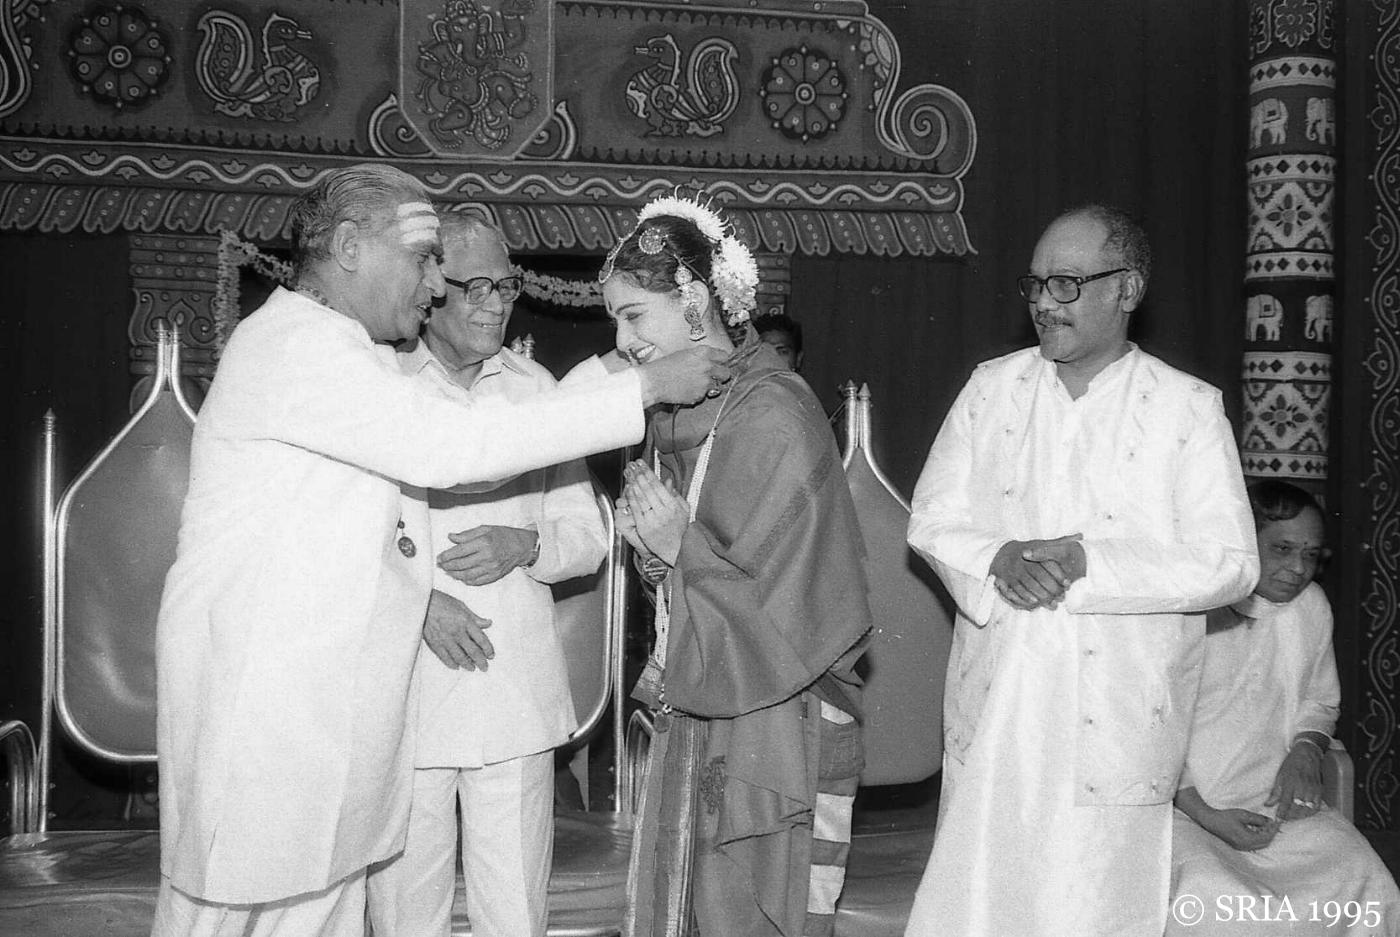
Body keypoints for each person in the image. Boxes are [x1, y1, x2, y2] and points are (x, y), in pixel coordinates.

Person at [152, 164, 729, 937]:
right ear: (349, 247)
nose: (433, 287)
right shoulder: (296, 348)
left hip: (324, 720)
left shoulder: (341, 351)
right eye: (424, 259)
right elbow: (455, 447)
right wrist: (643, 386)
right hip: (268, 718)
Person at [903, 204, 1259, 936]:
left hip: (1118, 718)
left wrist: (1091, 564)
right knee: (979, 904)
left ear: (1127, 289)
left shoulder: (1187, 408)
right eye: (1034, 285)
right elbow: (931, 518)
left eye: (1065, 284)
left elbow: (1231, 563)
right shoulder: (991, 389)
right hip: (1002, 702)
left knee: (1094, 908)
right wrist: (996, 557)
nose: (1043, 303)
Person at [599, 194, 872, 937]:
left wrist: (676, 547)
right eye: (615, 320)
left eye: (634, 315)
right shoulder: (677, 414)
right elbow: (703, 565)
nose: (623, 340)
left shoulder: (772, 412)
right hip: (711, 693)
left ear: (694, 301)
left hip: (778, 712)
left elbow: (787, 610)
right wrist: (658, 555)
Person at [364, 211, 607, 937]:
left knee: (516, 914)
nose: (496, 303)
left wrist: (524, 543)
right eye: (477, 287)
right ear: (431, 287)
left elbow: (587, 536)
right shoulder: (378, 385)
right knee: (407, 916)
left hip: (514, 697)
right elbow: (339, 539)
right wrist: (418, 603)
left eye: (506, 286)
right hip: (406, 692)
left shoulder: (537, 391)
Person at [1167, 481, 1400, 937]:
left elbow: (1319, 700)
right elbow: (1154, 731)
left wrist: (1307, 750)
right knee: (1214, 898)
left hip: (1276, 805)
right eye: (1282, 549)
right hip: (1184, 811)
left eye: (1311, 555)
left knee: (1367, 879)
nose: (1297, 569)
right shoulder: (1189, 612)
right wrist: (1207, 815)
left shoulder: (1310, 605)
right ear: (1240, 539)